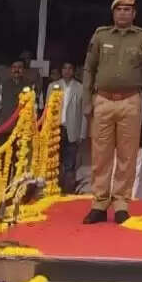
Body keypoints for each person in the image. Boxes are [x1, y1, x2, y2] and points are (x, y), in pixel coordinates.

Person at [82, 0, 142, 225]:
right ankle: (99, 203)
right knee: (101, 154)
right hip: (103, 100)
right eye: (120, 9)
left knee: (127, 154)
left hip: (130, 101)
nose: (124, 13)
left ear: (134, 14)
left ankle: (122, 203)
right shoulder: (100, 35)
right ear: (113, 13)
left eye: (129, 9)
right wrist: (87, 102)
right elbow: (89, 69)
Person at [52, 60, 86, 192]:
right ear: (61, 70)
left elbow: (84, 113)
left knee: (70, 164)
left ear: (74, 71)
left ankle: (68, 192)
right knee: (54, 163)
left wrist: (82, 134)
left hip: (72, 131)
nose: (67, 71)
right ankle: (54, 189)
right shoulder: (53, 86)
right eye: (64, 68)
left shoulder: (80, 88)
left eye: (70, 68)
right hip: (55, 129)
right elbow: (47, 111)